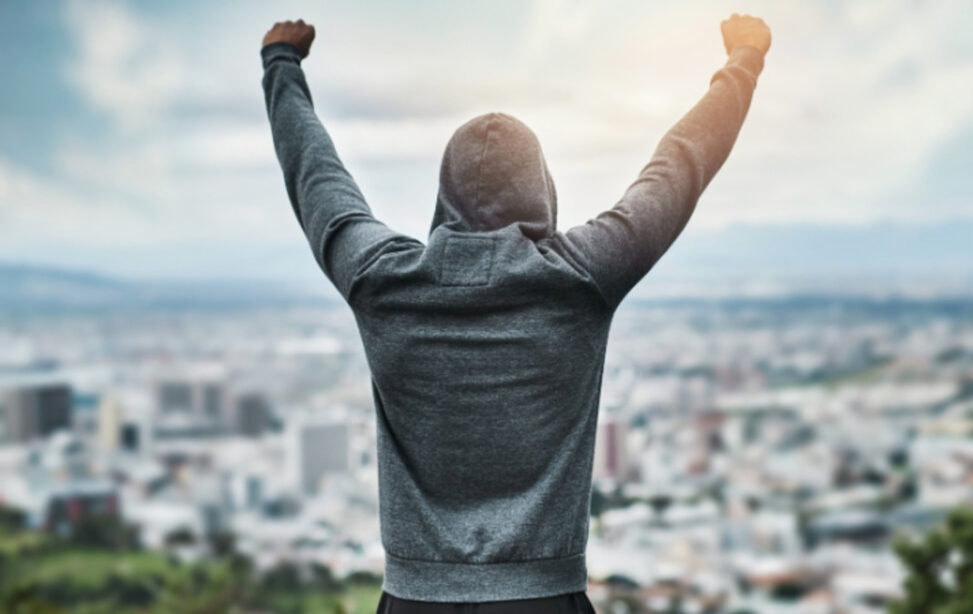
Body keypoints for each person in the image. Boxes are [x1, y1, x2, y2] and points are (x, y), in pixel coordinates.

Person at [260, 12, 770, 613]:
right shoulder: (579, 277)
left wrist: (281, 63)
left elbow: (318, 178)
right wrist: (743, 61)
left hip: (416, 600)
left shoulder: (382, 280)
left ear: (444, 190)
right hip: (544, 598)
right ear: (541, 188)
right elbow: (676, 168)